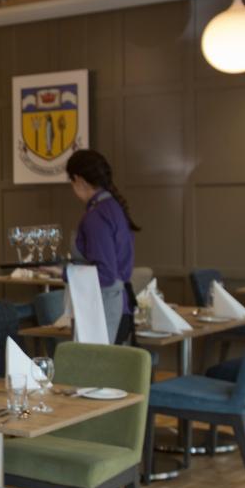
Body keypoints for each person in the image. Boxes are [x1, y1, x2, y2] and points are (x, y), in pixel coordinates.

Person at [63, 148, 140, 345]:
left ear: (78, 180)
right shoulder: (113, 207)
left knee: (91, 375)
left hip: (102, 309)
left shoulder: (96, 216)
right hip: (119, 305)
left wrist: (62, 272)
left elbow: (105, 274)